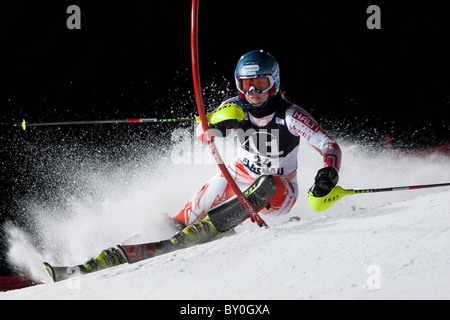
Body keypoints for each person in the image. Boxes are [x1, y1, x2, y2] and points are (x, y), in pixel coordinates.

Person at [82, 49, 342, 271]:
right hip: (238, 174)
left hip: (281, 190)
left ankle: (216, 225)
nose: (253, 91)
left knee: (267, 183)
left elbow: (328, 144)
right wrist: (215, 126)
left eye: (260, 84)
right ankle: (137, 244)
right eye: (246, 84)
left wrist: (328, 172)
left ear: (273, 82)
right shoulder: (234, 107)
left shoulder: (290, 115)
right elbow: (200, 130)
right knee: (189, 211)